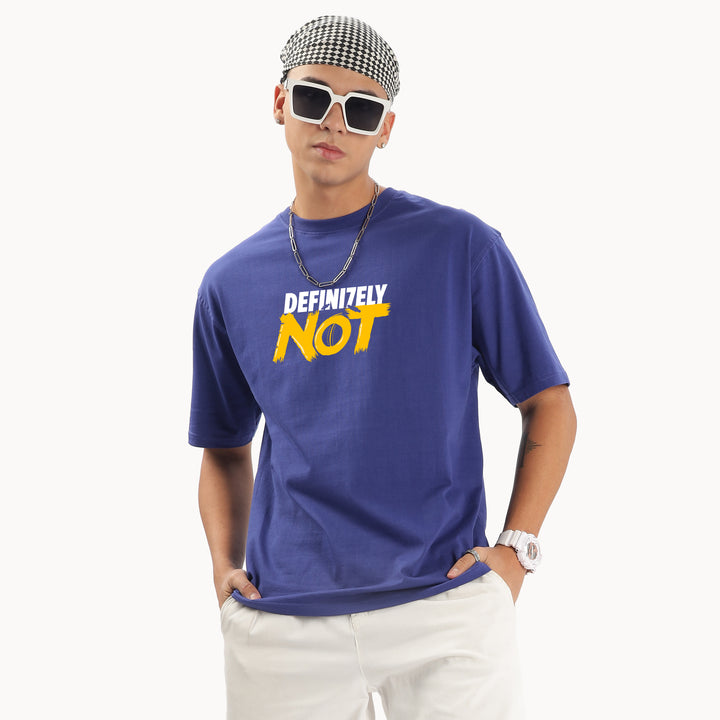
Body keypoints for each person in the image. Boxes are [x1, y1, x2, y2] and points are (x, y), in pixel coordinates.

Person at [189, 15, 576, 720]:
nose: (334, 122)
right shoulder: (231, 281)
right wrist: (223, 571)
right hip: (285, 620)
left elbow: (548, 401)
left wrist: (515, 552)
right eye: (314, 98)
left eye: (361, 109)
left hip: (445, 607)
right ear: (279, 102)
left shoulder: (458, 245)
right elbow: (222, 448)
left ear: (386, 129)